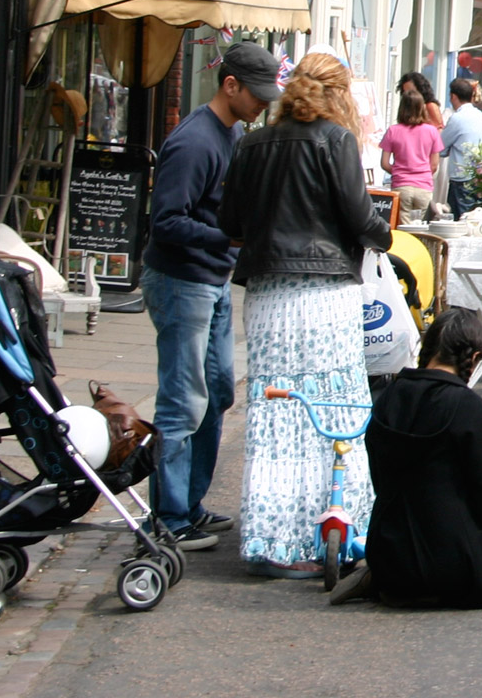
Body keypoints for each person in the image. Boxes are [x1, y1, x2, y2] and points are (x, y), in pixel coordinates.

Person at [218, 51, 393, 577]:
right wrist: (385, 236)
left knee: (277, 411)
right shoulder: (335, 141)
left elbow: (231, 222)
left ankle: (271, 539)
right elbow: (357, 214)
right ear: (338, 95)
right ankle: (330, 533)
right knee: (332, 407)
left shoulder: (251, 144)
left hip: (270, 294)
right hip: (324, 293)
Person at [142, 41, 278, 548]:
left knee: (217, 391)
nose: (264, 104)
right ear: (230, 85)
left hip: (211, 278)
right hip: (182, 281)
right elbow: (166, 221)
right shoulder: (196, 142)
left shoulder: (233, 132)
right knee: (182, 400)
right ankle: (170, 516)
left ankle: (190, 506)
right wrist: (230, 237)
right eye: (257, 94)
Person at [361, 310, 482, 607]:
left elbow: (378, 475)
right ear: (475, 356)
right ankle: (457, 594)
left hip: (389, 555)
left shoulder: (389, 396)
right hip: (454, 557)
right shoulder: (467, 405)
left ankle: (406, 591)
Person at [378, 89, 444, 217]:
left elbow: (384, 163)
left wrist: (399, 172)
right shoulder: (431, 131)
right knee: (421, 227)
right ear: (422, 108)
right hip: (423, 186)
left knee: (404, 226)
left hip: (401, 185)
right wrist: (422, 173)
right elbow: (434, 165)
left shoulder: (393, 131)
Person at [440, 77, 482, 215]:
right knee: (476, 219)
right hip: (481, 176)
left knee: (462, 221)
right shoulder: (480, 116)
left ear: (453, 96)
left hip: (462, 178)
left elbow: (440, 147)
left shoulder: (457, 118)